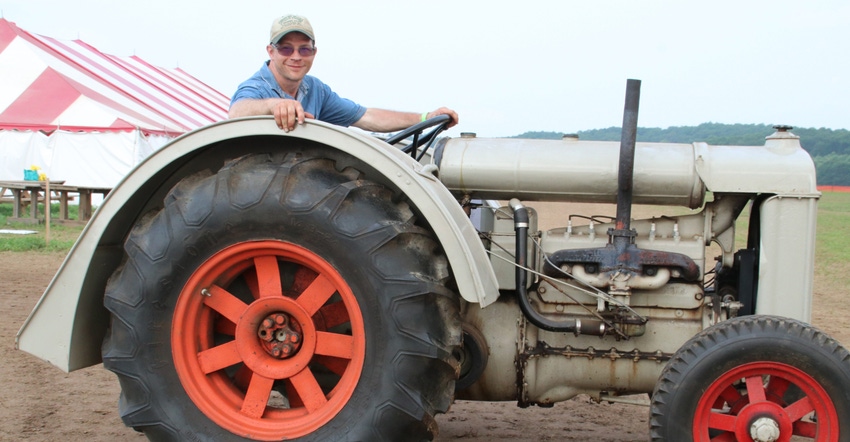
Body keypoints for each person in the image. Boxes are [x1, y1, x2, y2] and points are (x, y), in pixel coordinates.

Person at [229, 14, 459, 133]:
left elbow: (366, 117)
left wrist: (425, 118)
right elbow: (237, 112)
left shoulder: (315, 89)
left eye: (304, 48)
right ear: (271, 51)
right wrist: (273, 106)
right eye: (286, 48)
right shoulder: (257, 88)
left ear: (314, 52)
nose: (296, 56)